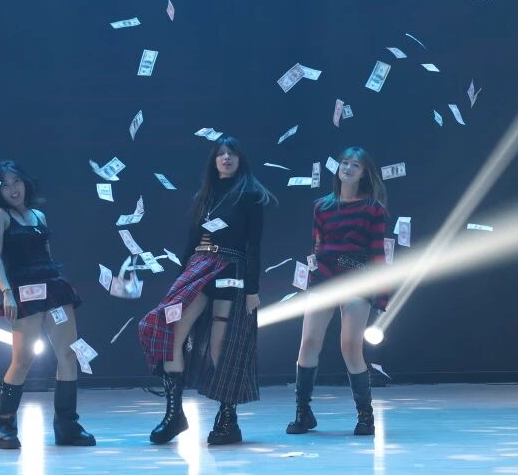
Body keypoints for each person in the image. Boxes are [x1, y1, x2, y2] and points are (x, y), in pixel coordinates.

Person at [137, 136, 276, 446]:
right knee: (169, 329)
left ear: (240, 160)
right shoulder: (206, 195)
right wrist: (180, 280)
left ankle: (228, 419)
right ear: (214, 161)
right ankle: (175, 415)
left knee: (221, 346)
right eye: (221, 153)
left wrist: (252, 289)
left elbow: (254, 245)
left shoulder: (251, 195)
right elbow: (190, 241)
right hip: (200, 266)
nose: (226, 158)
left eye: (232, 153)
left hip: (231, 268)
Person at [0, 159, 95, 449]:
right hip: (24, 291)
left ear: (25, 182)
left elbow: (47, 255)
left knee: (68, 354)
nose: (13, 189)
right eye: (5, 185)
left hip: (54, 289)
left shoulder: (39, 215)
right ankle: (4, 426)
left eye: (16, 181)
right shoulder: (0, 216)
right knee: (23, 359)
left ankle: (67, 425)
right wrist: (7, 292)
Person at [286, 146, 390, 437]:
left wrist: (381, 294)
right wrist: (313, 278)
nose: (348, 168)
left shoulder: (373, 209)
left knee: (350, 346)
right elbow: (317, 246)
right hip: (325, 278)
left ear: (364, 173)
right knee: (308, 342)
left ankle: (365, 415)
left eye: (355, 165)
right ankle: (303, 412)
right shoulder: (322, 206)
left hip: (357, 279)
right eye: (344, 163)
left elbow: (378, 254)